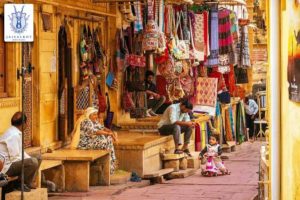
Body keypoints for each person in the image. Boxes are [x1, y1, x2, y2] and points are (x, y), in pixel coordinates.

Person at [70, 107, 118, 174]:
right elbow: (94, 131)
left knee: (108, 140)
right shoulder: (86, 121)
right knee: (106, 142)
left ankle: (111, 163)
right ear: (89, 115)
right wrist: (108, 134)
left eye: (96, 114)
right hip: (85, 144)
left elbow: (101, 127)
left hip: (91, 141)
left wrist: (110, 132)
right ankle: (110, 164)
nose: (96, 116)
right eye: (94, 114)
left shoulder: (94, 121)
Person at [0, 112, 39, 192]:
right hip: (6, 167)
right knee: (33, 162)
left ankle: (28, 182)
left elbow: (20, 152)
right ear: (23, 124)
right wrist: (30, 161)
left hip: (11, 162)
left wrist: (30, 159)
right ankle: (20, 184)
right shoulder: (13, 135)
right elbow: (15, 158)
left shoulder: (15, 132)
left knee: (38, 157)